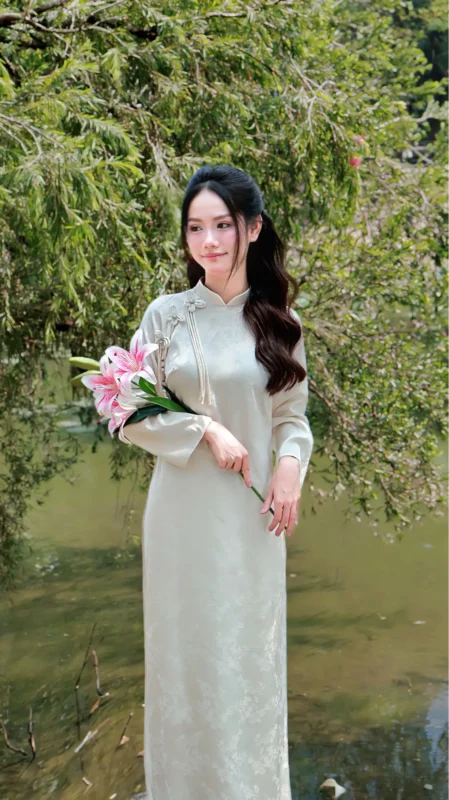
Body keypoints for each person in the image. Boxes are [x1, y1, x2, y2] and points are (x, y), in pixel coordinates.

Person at [122, 164, 314, 800]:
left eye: (222, 226)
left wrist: (289, 468)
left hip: (251, 523)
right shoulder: (165, 318)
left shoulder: (280, 322)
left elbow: (292, 419)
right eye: (195, 228)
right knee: (184, 660)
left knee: (247, 658)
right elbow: (128, 409)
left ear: (252, 229)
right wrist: (204, 429)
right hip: (180, 518)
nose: (208, 242)